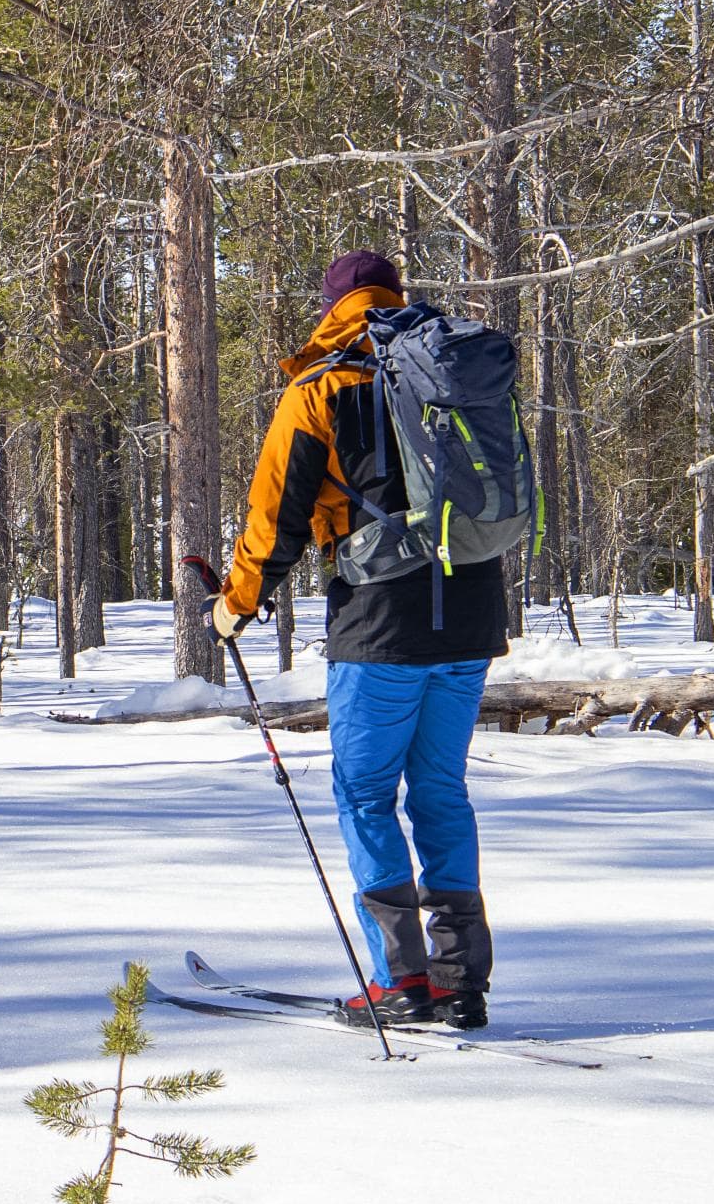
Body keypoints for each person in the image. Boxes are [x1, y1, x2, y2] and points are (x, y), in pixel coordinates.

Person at [210, 250, 505, 1030]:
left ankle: (401, 980)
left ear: (331, 306)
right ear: (393, 297)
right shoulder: (452, 366)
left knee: (366, 794)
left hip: (379, 623)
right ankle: (460, 983)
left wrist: (235, 605)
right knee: (441, 791)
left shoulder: (321, 388)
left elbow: (276, 517)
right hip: (472, 612)